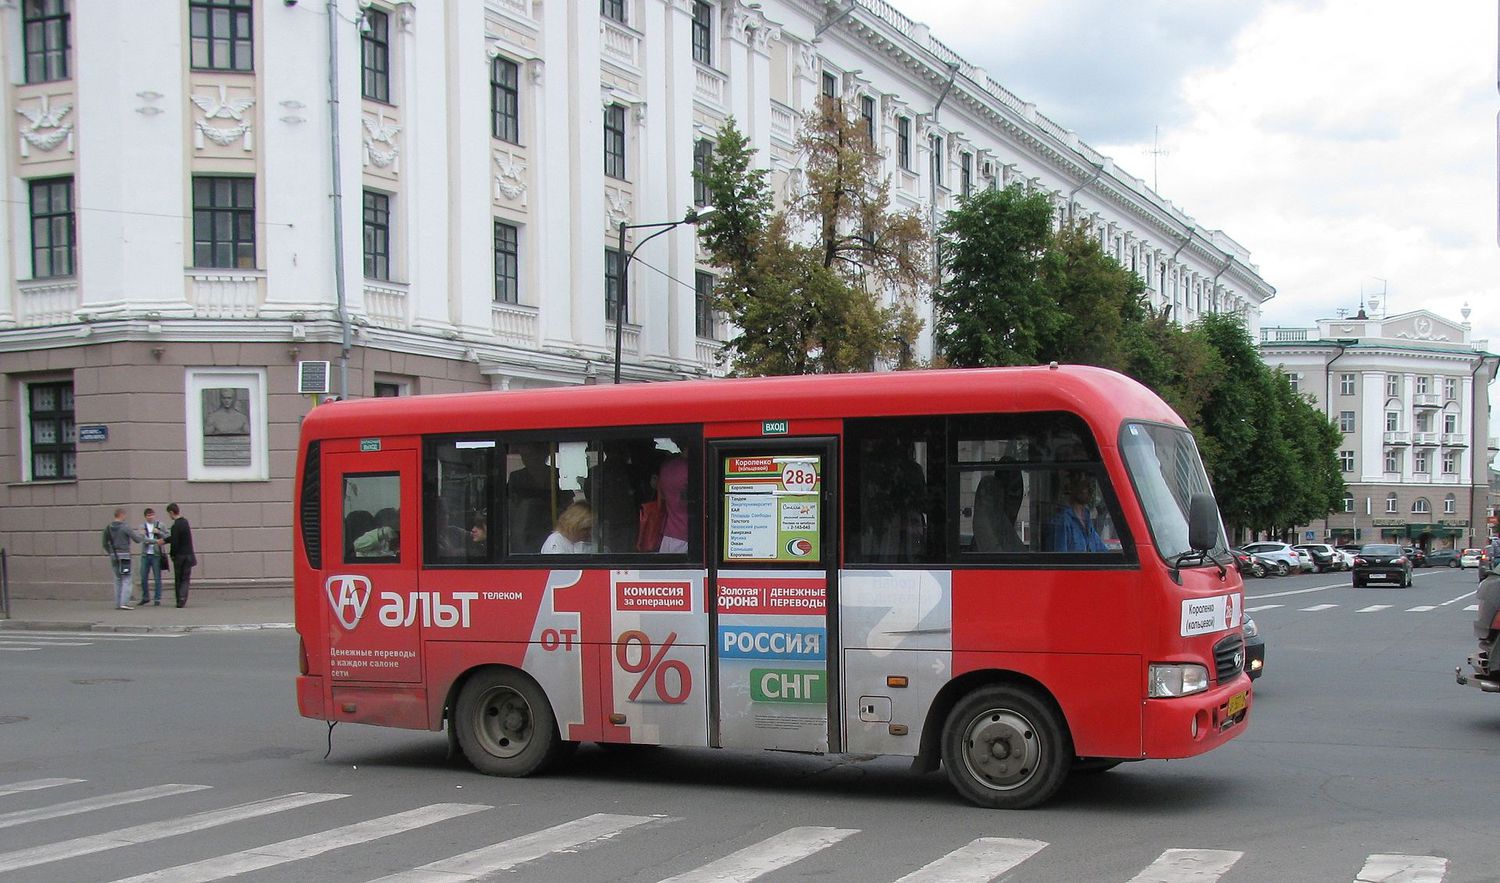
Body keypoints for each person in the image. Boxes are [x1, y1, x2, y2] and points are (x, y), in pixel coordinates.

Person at [1048, 469, 1107, 552]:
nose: (1089, 489)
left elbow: (1101, 550)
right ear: (1072, 487)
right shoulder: (1062, 520)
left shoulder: (1086, 518)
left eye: (1089, 485)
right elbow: (1060, 558)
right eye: (1084, 485)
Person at [101, 508, 145, 610]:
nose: (125, 517)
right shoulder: (125, 527)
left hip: (114, 556)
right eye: (124, 515)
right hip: (125, 556)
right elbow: (137, 539)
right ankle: (124, 602)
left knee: (117, 579)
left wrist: (111, 552)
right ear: (121, 515)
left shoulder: (108, 528)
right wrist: (142, 534)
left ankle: (118, 603)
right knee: (127, 579)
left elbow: (104, 543)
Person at [161, 503, 197, 608]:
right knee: (186, 578)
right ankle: (183, 598)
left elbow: (175, 541)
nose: (169, 516)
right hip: (189, 555)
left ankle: (179, 600)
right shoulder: (185, 522)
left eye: (169, 514)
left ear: (172, 512)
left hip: (179, 556)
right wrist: (165, 540)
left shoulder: (175, 525)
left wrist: (172, 554)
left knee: (179, 578)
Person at [656, 455, 689, 553]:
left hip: (668, 535)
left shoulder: (666, 467)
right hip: (686, 536)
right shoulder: (692, 468)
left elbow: (662, 496)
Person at [137, 507, 168, 606]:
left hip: (156, 554)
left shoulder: (160, 525)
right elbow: (143, 539)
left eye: (152, 515)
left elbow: (167, 536)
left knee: (157, 577)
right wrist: (156, 541)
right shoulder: (142, 526)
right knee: (143, 577)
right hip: (145, 554)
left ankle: (157, 598)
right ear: (145, 517)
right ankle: (145, 597)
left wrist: (159, 532)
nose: (151, 517)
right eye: (148, 515)